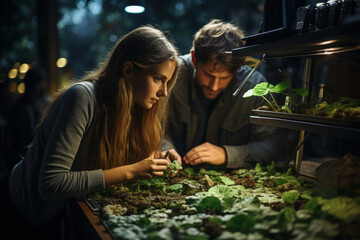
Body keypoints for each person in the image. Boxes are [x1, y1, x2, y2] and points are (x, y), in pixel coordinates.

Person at [4, 26, 179, 239]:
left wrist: (163, 150)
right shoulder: (82, 98)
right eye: (158, 79)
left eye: (168, 81)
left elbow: (149, 142)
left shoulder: (136, 104)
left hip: (61, 211)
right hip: (22, 211)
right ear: (128, 71)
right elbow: (51, 184)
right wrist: (132, 170)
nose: (164, 92)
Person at [162, 19, 286, 169]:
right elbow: (150, 125)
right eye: (208, 75)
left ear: (238, 68)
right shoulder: (171, 77)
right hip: (174, 174)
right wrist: (164, 148)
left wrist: (228, 154)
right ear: (194, 59)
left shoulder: (255, 87)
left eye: (225, 78)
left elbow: (274, 146)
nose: (214, 86)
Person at [4, 67, 50, 173]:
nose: (46, 84)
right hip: (25, 167)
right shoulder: (28, 109)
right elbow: (27, 141)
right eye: (44, 80)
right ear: (37, 84)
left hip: (16, 166)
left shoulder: (16, 106)